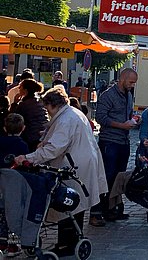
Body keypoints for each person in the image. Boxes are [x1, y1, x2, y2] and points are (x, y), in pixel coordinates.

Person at [14, 86, 107, 258]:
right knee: (74, 204)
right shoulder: (70, 112)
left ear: (51, 105)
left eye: (46, 108)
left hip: (74, 165)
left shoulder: (66, 119)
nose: (47, 112)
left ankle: (68, 244)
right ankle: (70, 241)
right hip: (81, 162)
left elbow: (54, 148)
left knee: (68, 203)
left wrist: (30, 157)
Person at [92, 68, 138, 224]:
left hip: (124, 141)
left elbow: (128, 114)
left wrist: (133, 120)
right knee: (107, 176)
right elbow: (100, 117)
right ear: (123, 79)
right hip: (110, 141)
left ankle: (114, 209)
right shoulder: (108, 95)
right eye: (131, 82)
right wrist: (121, 125)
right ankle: (99, 210)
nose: (132, 85)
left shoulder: (129, 95)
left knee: (119, 177)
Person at [0, 113, 28, 256]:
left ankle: (2, 242)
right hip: (15, 185)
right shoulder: (22, 145)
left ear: (5, 128)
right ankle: (12, 245)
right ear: (23, 128)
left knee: (1, 214)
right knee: (14, 215)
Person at [10, 79, 48, 152]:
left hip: (31, 137)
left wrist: (14, 104)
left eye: (20, 87)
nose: (18, 88)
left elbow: (13, 118)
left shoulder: (24, 105)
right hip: (43, 134)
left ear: (25, 90)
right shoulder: (39, 102)